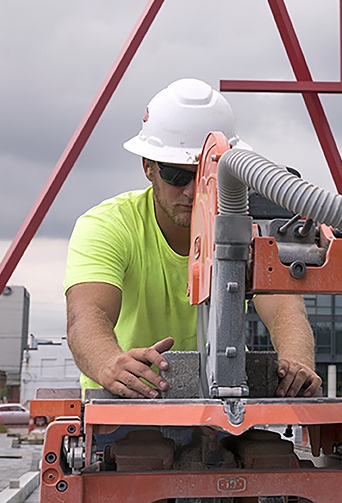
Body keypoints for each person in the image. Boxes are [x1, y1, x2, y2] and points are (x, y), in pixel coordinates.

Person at [65, 78, 322, 399]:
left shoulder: (248, 228)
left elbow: (285, 309)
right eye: (177, 175)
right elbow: (87, 316)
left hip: (223, 401)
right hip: (125, 400)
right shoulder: (107, 226)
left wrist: (296, 364)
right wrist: (109, 364)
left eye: (204, 176)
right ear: (148, 167)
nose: (191, 191)